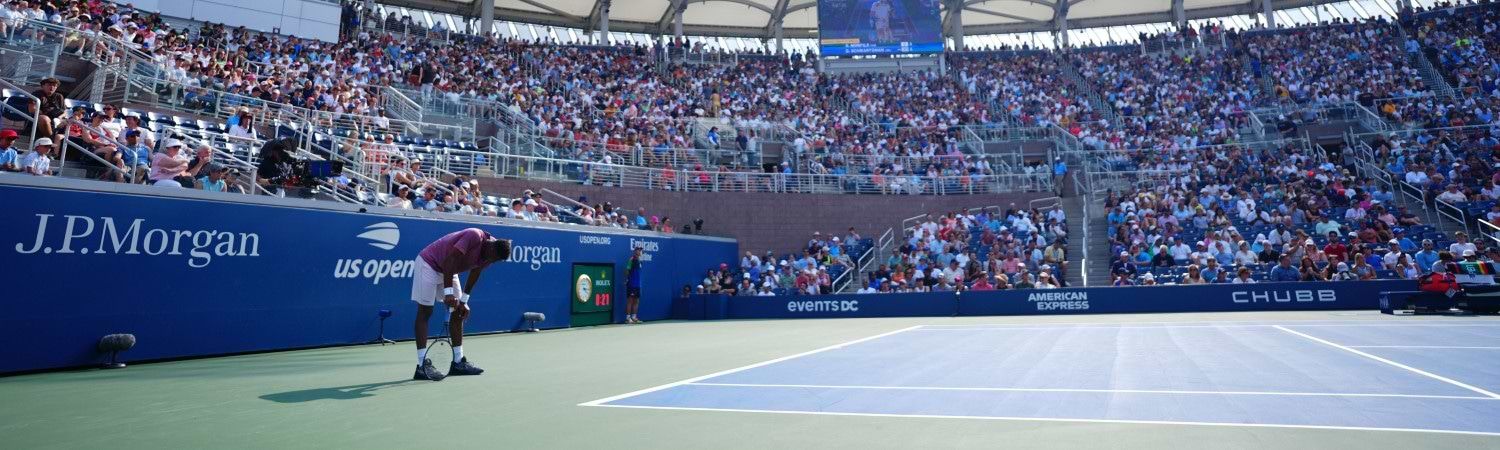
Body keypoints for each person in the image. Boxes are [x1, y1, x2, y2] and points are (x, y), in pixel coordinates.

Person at [411, 228, 512, 381]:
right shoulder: (474, 236)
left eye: (495, 261)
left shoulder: (492, 254)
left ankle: (458, 362)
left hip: (449, 270)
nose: (491, 261)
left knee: (459, 312)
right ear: (490, 246)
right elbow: (449, 260)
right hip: (429, 264)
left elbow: (475, 272)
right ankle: (421, 365)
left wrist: (464, 301)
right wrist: (448, 292)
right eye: (492, 258)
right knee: (425, 312)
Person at [625, 246, 644, 324]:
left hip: (638, 285)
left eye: (640, 250)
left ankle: (634, 317)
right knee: (630, 301)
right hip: (632, 284)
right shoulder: (631, 260)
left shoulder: (640, 261)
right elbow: (626, 270)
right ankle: (628, 318)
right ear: (635, 251)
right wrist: (627, 279)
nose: (639, 251)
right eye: (638, 250)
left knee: (636, 301)